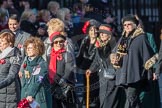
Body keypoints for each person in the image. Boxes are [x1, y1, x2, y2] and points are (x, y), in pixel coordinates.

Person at [110, 14, 154, 108]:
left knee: (130, 100)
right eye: (124, 25)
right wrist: (114, 57)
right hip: (124, 75)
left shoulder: (141, 37)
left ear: (135, 25)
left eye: (129, 24)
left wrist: (151, 72)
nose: (126, 27)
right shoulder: (123, 38)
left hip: (136, 75)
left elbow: (149, 56)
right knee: (134, 100)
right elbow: (115, 52)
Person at [86, 24, 120, 108]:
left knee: (109, 102)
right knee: (103, 100)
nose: (101, 34)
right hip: (102, 78)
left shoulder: (114, 45)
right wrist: (90, 69)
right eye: (100, 33)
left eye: (103, 33)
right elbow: (96, 61)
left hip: (112, 78)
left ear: (109, 34)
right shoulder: (100, 45)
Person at [20, 37, 51, 108]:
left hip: (38, 96)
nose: (28, 50)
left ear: (37, 49)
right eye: (27, 48)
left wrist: (30, 94)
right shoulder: (26, 62)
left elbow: (38, 80)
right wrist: (24, 96)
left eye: (30, 48)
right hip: (26, 95)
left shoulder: (42, 64)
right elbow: (24, 81)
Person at [76, 19, 100, 107]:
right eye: (91, 30)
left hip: (96, 71)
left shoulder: (100, 41)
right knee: (86, 91)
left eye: (95, 29)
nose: (93, 32)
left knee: (95, 92)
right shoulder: (85, 40)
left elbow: (96, 57)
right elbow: (80, 54)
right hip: (85, 70)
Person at [48, 33, 76, 108]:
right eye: (56, 42)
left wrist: (60, 82)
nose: (59, 44)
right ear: (52, 44)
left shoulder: (67, 55)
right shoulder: (48, 56)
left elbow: (68, 71)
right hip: (52, 87)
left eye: (61, 41)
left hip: (65, 86)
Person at [0, 30, 21, 108]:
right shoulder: (1, 55)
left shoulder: (15, 56)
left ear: (10, 43)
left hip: (10, 95)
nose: (0, 43)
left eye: (2, 41)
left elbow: (12, 76)